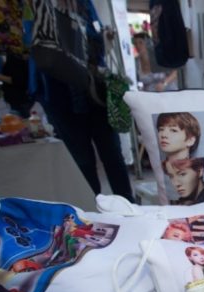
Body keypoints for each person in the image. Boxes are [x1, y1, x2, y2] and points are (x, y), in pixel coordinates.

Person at [34, 2, 135, 202]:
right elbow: (42, 54)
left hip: (96, 94)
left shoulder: (85, 5)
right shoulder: (43, 6)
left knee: (112, 155)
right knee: (82, 160)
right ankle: (92, 207)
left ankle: (127, 204)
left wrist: (104, 39)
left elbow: (95, 43)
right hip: (61, 96)